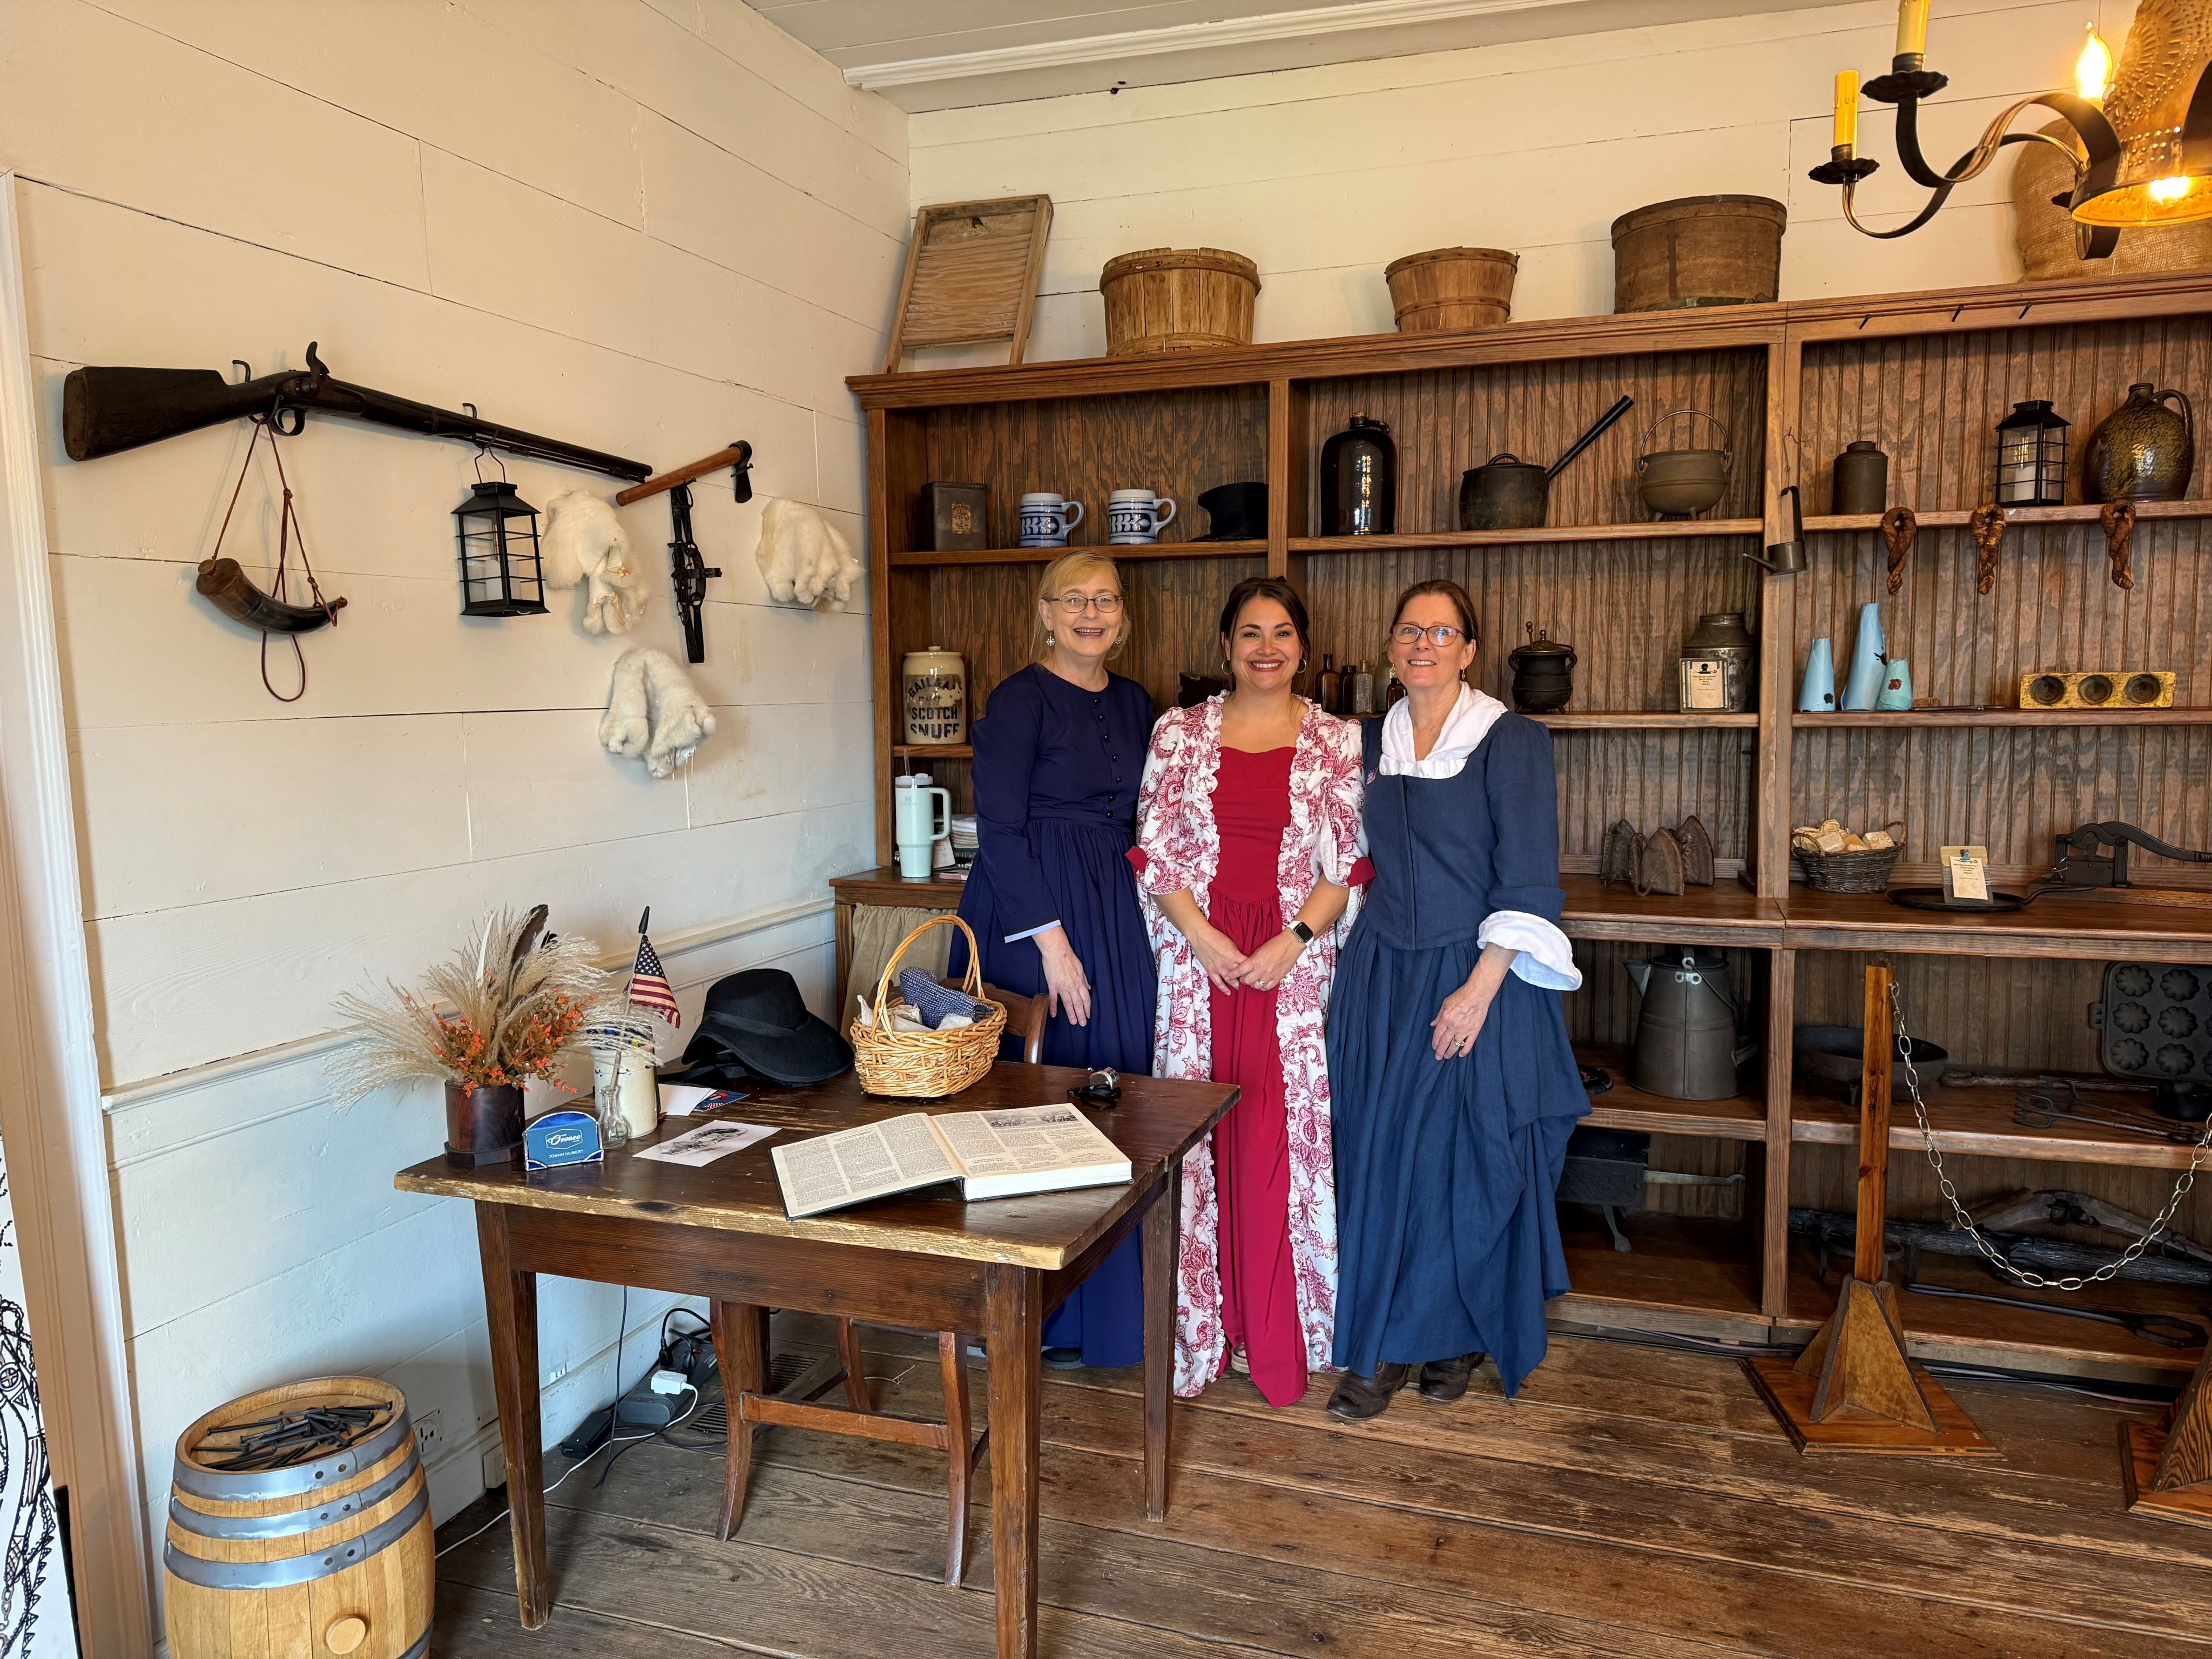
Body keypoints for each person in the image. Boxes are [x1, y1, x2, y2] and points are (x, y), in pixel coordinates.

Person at [1325, 578, 1588, 1421]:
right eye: (1409, 630)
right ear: (1392, 648)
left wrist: (1478, 991)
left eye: (1442, 632)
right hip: (1382, 972)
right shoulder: (1364, 740)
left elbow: (1527, 879)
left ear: (1469, 650)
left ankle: (1449, 1335)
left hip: (1479, 973)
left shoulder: (1511, 741)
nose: (1423, 644)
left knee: (1463, 1160)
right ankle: (1394, 1341)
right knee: (1381, 1152)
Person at [1131, 577, 1365, 1406]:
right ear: (1225, 645)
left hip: (1287, 966)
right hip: (1204, 964)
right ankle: (1209, 1329)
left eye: (1284, 633)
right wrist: (1204, 939)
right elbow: (1155, 853)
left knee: (1277, 1141)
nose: (1267, 647)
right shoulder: (1179, 732)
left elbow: (1350, 863)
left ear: (1305, 646)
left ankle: (1280, 1334)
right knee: (1203, 1141)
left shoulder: (1339, 739)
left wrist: (1290, 943)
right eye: (1250, 632)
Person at [953, 551, 1155, 1368]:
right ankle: (1024, 1316)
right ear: (1044, 611)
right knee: (1040, 1103)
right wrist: (1054, 944)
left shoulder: (1140, 702)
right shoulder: (1019, 699)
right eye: (1075, 599)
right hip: (1032, 910)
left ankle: (1107, 1317)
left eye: (1105, 600)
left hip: (1116, 901)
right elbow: (998, 831)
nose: (1090, 613)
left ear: (1122, 613)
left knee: (1122, 1089)